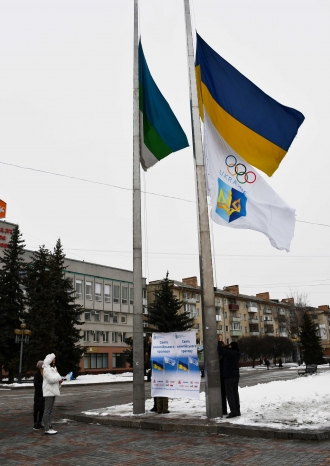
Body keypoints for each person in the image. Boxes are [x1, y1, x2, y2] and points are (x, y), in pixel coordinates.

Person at [217, 335, 241, 418]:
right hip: (235, 376)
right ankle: (237, 410)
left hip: (229, 376)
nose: (229, 346)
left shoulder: (230, 353)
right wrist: (224, 344)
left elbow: (221, 350)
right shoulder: (236, 353)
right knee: (235, 393)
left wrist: (220, 341)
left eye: (230, 345)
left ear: (232, 347)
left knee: (229, 394)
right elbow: (226, 349)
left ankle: (233, 411)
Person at [42, 353, 63, 435]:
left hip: (52, 391)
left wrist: (59, 382)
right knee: (47, 410)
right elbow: (51, 379)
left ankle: (49, 426)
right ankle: (47, 428)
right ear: (50, 360)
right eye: (53, 358)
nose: (54, 360)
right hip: (48, 392)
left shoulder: (51, 368)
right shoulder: (46, 369)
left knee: (49, 410)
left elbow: (54, 380)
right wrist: (58, 375)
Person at [33, 361, 45, 430]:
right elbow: (36, 384)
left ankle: (40, 422)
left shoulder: (43, 373)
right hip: (38, 394)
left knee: (42, 409)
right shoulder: (37, 373)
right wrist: (43, 383)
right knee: (36, 409)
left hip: (43, 394)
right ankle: (35, 423)